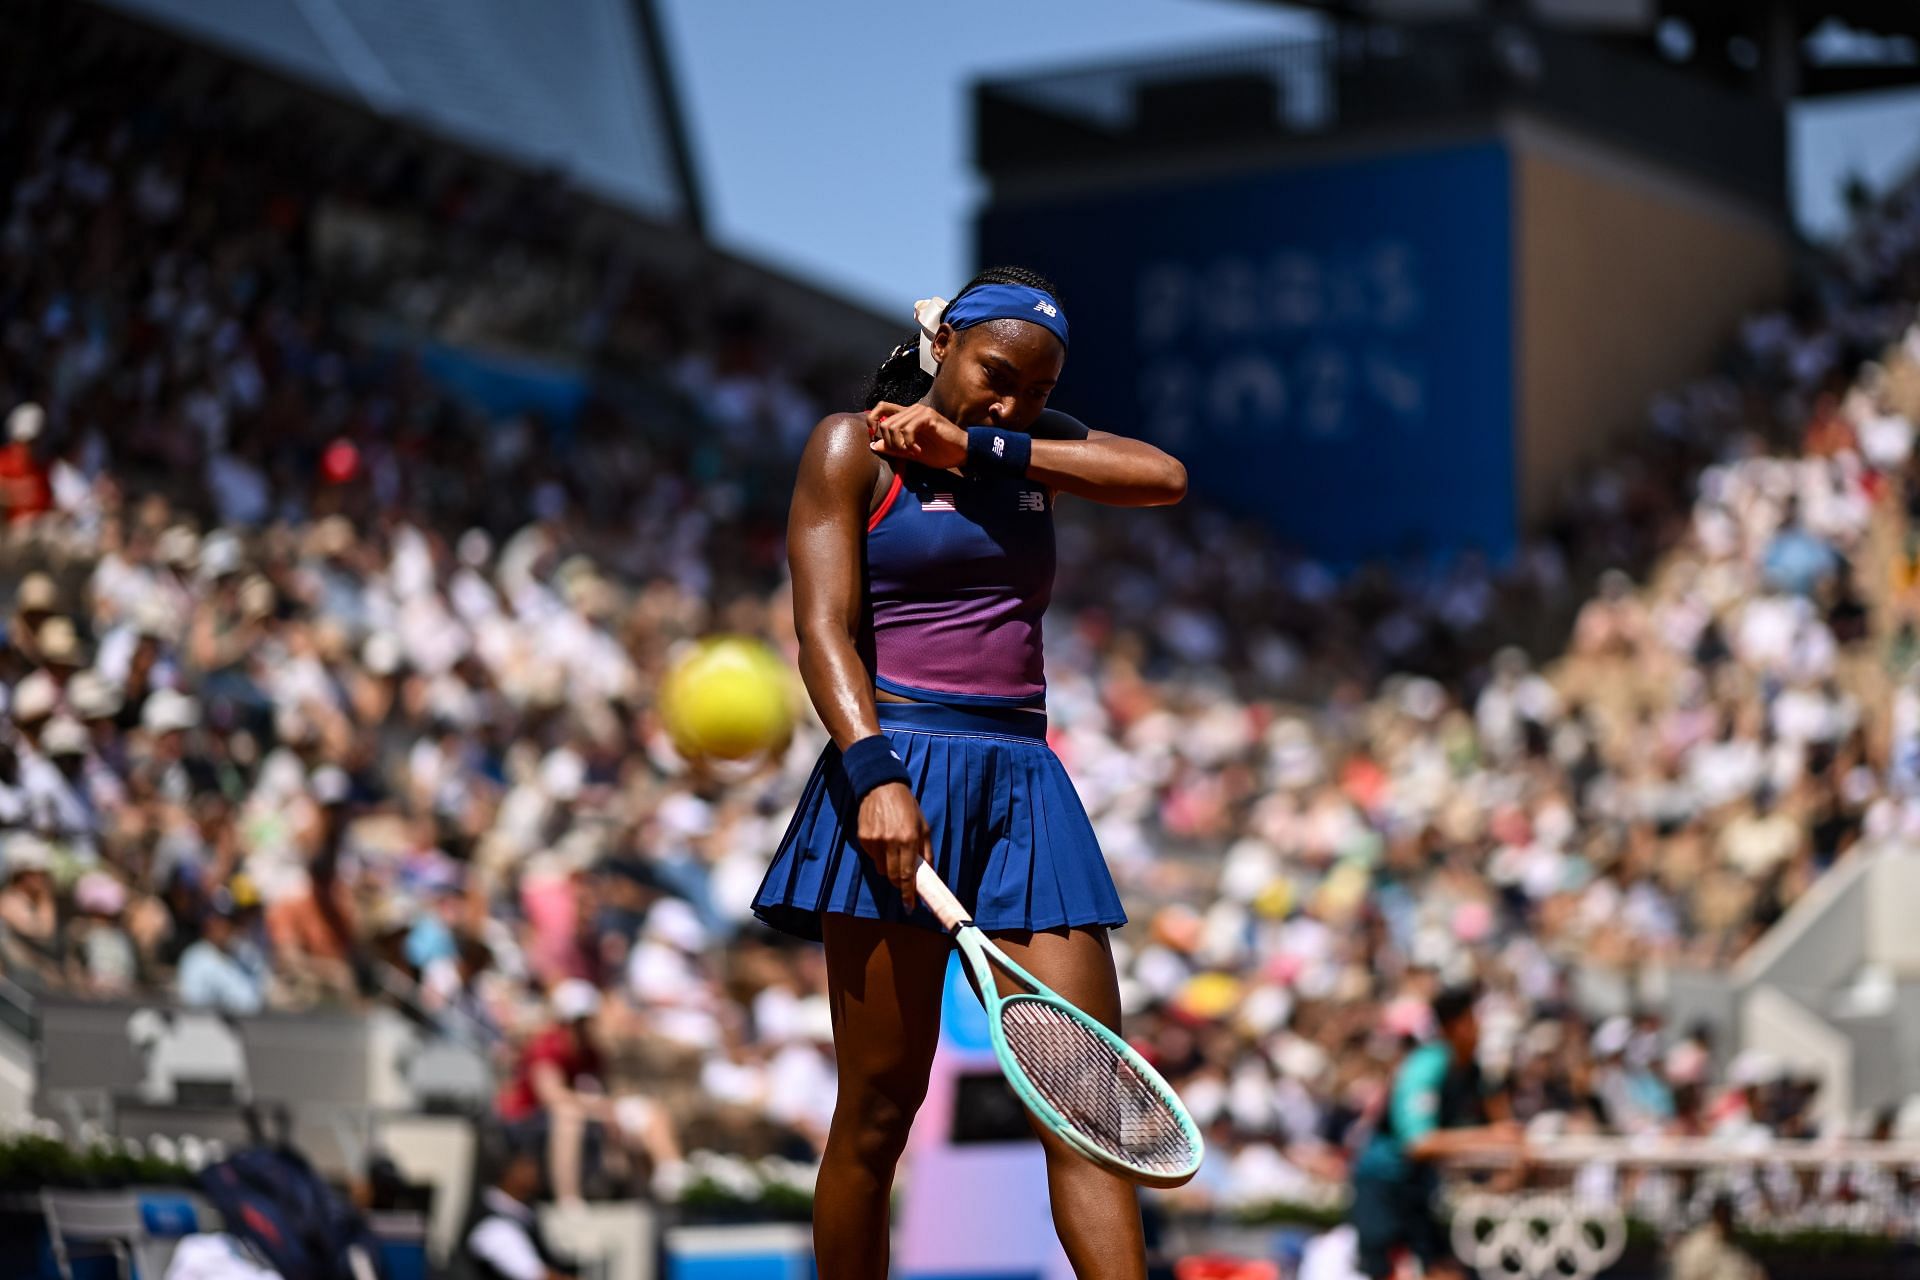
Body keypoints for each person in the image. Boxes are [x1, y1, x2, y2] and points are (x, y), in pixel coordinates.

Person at [751, 266, 1187, 1278]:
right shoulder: (847, 446)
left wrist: (982, 442)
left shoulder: (1030, 448)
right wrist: (875, 775)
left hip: (1025, 782)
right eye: (998, 375)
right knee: (878, 1111)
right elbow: (821, 633)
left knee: (1087, 1102)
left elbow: (1163, 477)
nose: (1016, 402)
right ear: (942, 343)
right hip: (893, 764)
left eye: (1035, 391)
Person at [1348, 986, 1523, 1280]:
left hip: (1419, 1185)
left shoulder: (1470, 1070)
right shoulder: (1426, 1066)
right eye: (1476, 1019)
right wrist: (1490, 1137)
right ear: (1458, 1024)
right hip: (1384, 1185)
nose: (1482, 1029)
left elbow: (1502, 1126)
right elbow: (1419, 1143)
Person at [458, 1138, 579, 1280]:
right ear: (508, 1169)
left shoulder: (527, 1214)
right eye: (528, 1165)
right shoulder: (493, 1224)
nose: (536, 1172)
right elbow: (536, 1276)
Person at [1670, 1195, 1765, 1280]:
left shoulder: (1739, 1244)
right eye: (1722, 1215)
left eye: (1729, 1216)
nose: (1727, 1220)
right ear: (1715, 1215)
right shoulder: (1697, 1245)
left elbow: (1756, 1273)